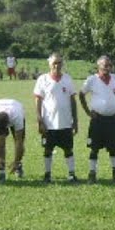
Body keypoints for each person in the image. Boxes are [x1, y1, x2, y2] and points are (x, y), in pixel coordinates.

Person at [78, 55, 115, 182]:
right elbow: (81, 94)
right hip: (97, 119)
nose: (108, 68)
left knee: (113, 148)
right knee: (94, 148)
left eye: (110, 65)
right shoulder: (92, 80)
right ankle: (92, 174)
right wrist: (88, 112)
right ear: (98, 66)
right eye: (105, 65)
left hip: (112, 119)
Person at [33, 52, 79, 183]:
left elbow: (73, 100)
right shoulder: (43, 79)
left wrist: (75, 120)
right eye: (54, 63)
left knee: (68, 149)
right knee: (48, 149)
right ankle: (47, 174)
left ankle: (71, 174)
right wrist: (39, 120)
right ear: (49, 64)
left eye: (59, 62)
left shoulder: (67, 79)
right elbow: (38, 100)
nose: (57, 65)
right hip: (49, 123)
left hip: (65, 122)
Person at [0, 98, 26, 182]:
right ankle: (1, 171)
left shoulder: (17, 117)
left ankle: (18, 166)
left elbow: (19, 141)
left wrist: (16, 161)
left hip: (16, 106)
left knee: (19, 142)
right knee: (0, 142)